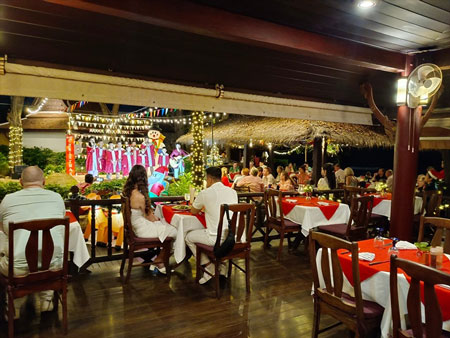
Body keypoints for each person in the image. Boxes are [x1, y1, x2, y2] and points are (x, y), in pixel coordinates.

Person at [0, 166, 66, 312]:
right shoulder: (56, 198)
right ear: (44, 181)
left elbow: (3, 229)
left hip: (16, 269)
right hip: (55, 265)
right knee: (48, 257)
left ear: (20, 182)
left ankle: (12, 305)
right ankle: (46, 300)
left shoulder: (8, 200)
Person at [187, 167, 238, 284]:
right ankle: (222, 266)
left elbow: (194, 211)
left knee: (188, 237)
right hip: (233, 237)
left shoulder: (205, 193)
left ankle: (209, 265)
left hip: (216, 239)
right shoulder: (232, 192)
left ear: (209, 179)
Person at [122, 165, 176, 274]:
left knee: (166, 228)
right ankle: (159, 260)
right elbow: (150, 217)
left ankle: (159, 260)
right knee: (175, 231)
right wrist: (160, 220)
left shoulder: (127, 192)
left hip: (135, 227)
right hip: (142, 229)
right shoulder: (140, 197)